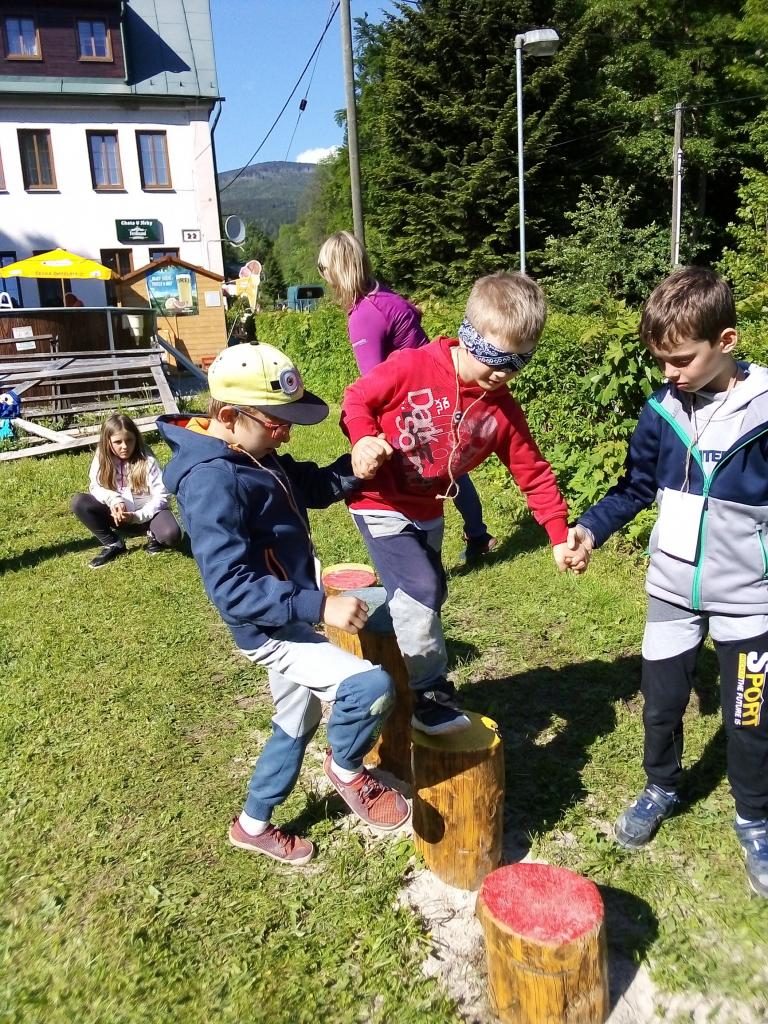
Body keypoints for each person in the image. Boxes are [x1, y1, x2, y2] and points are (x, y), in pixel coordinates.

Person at [157, 342, 409, 865]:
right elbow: (231, 587)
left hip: (284, 613)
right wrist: (318, 607)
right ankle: (346, 769)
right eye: (277, 423)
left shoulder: (254, 453)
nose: (287, 433)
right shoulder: (212, 481)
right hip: (269, 627)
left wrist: (356, 467)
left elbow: (308, 485)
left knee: (297, 719)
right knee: (369, 686)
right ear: (230, 416)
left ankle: (252, 825)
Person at [568, 266, 768, 898]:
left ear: (727, 341)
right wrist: (589, 530)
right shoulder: (661, 410)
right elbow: (634, 487)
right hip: (671, 594)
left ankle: (755, 821)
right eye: (661, 361)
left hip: (751, 601)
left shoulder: (765, 412)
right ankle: (660, 786)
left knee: (749, 717)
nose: (670, 373)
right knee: (660, 705)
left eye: (681, 360)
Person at [340, 271, 587, 736]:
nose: (503, 373)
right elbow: (357, 397)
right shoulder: (413, 366)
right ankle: (429, 696)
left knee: (428, 590)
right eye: (495, 358)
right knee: (421, 588)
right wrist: (363, 439)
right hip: (379, 501)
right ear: (470, 335)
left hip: (428, 509)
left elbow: (532, 471)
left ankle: (382, 648)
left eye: (519, 362)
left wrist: (558, 534)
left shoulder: (501, 409)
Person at [317, 230, 497, 563]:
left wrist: (366, 435)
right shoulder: (385, 297)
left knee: (424, 471)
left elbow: (374, 382)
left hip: (416, 400)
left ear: (337, 269)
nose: (323, 276)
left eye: (323, 268)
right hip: (442, 389)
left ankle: (410, 543)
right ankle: (477, 535)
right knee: (451, 466)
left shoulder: (365, 314)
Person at [71, 413, 181, 569]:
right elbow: (96, 486)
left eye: (129, 440)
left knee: (172, 535)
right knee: (79, 502)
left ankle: (153, 534)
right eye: (118, 442)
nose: (124, 446)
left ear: (136, 438)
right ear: (107, 442)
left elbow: (162, 495)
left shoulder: (147, 460)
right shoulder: (102, 458)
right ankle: (114, 543)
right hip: (118, 516)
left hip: (147, 516)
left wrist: (138, 516)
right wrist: (114, 500)